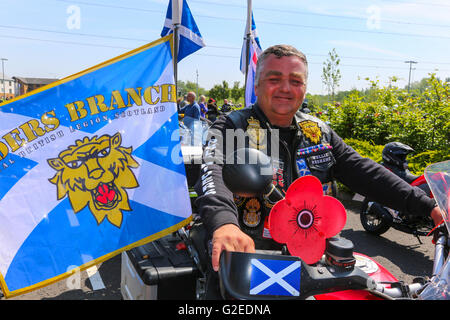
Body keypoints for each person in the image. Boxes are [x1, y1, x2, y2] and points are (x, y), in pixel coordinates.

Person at [194, 44, 443, 276]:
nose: (285, 88)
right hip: (246, 255)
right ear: (257, 86)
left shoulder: (318, 131)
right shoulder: (232, 126)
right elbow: (212, 171)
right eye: (274, 79)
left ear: (304, 88)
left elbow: (364, 172)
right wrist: (224, 224)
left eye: (295, 80)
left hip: (312, 258)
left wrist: (430, 207)